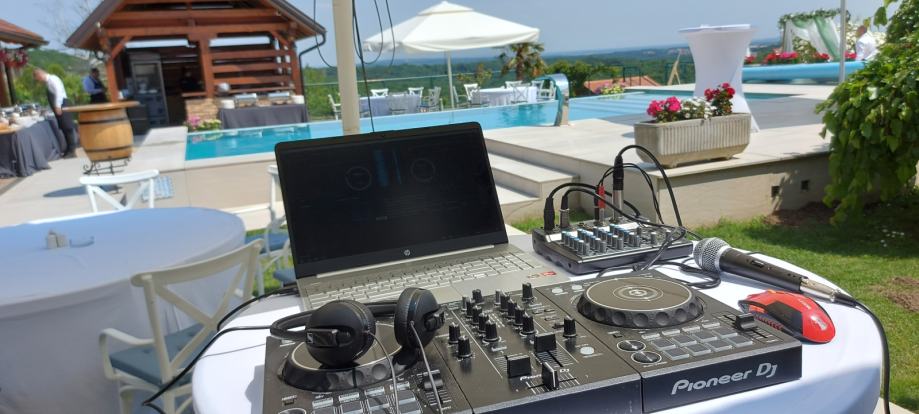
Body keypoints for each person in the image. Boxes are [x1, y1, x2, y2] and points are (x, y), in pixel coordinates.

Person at [33, 68, 77, 158]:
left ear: (39, 75)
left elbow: (59, 93)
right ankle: (68, 149)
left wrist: (57, 106)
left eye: (37, 78)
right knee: (64, 128)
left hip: (62, 104)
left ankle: (72, 150)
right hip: (59, 105)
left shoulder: (53, 79)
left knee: (67, 127)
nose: (39, 81)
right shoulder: (48, 82)